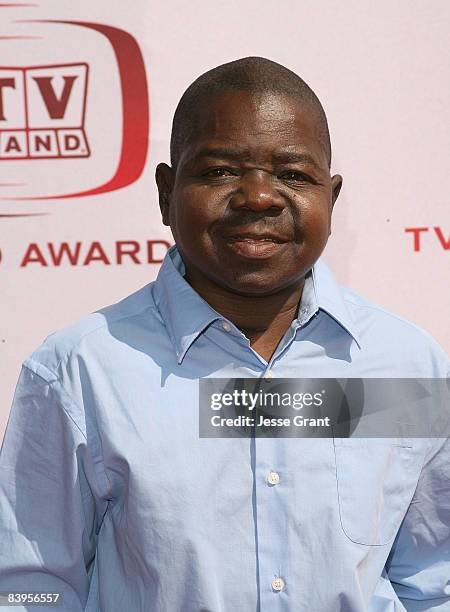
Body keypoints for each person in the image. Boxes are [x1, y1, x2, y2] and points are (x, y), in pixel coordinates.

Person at [0, 57, 449, 612]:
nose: (258, 197)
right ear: (166, 192)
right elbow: (30, 589)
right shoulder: (80, 372)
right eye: (218, 172)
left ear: (331, 199)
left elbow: (435, 583)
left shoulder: (407, 367)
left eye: (292, 174)